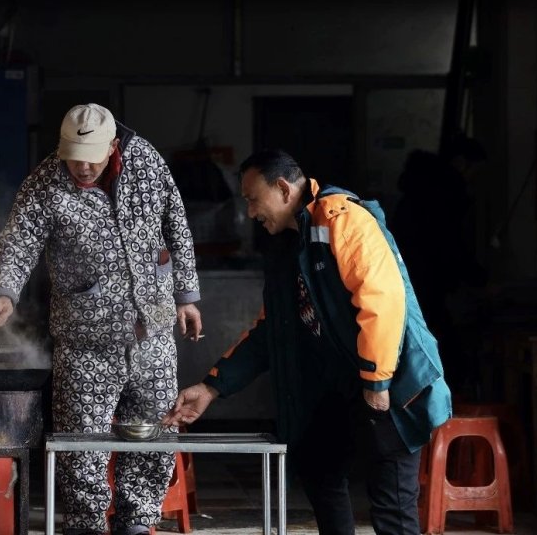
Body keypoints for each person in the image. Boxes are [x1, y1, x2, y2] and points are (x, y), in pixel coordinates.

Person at [163, 149, 451, 535]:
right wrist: (212, 386)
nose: (249, 212)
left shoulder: (343, 219)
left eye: (252, 199)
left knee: (393, 509)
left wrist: (377, 383)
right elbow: (272, 332)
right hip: (345, 384)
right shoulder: (286, 243)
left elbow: (382, 303)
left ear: (283, 188)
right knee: (318, 464)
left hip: (394, 383)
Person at [0, 103, 203, 535]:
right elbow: (19, 239)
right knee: (81, 438)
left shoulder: (147, 161)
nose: (82, 168)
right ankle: (86, 525)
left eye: (91, 158)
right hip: (86, 333)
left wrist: (187, 295)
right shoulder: (47, 181)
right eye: (73, 157)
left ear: (113, 147)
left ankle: (137, 522)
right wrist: (4, 291)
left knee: (155, 428)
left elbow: (176, 223)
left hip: (154, 324)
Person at [390, 136, 488, 394]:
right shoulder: (444, 195)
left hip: (410, 288)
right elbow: (449, 246)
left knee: (424, 358)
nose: (474, 180)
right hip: (428, 288)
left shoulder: (415, 194)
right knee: (447, 361)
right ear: (460, 164)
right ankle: (446, 421)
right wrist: (479, 279)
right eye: (474, 171)